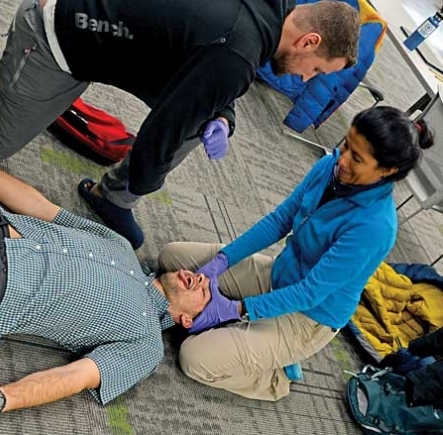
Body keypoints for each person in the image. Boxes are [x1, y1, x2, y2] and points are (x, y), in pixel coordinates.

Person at [0, 24, 213, 435]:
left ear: (187, 321)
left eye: (204, 293)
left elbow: (75, 378)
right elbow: (42, 207)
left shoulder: (145, 346)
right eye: (204, 277)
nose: (200, 279)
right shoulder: (120, 246)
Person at [0, 0, 361, 249]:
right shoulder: (236, 53)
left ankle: (110, 196)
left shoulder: (268, 12)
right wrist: (145, 176)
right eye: (316, 69)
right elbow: (161, 134)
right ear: (309, 40)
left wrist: (223, 113)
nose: (306, 78)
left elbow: (214, 74)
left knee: (204, 115)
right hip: (56, 37)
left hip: (115, 40)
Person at [157, 105, 434, 401]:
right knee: (172, 256)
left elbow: (310, 292)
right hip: (279, 275)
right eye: (346, 143)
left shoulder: (375, 226)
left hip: (308, 315)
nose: (342, 159)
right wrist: (223, 261)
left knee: (194, 358)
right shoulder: (330, 167)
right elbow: (279, 221)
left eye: (357, 157)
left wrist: (235, 309)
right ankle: (253, 331)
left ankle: (274, 376)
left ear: (386, 171)